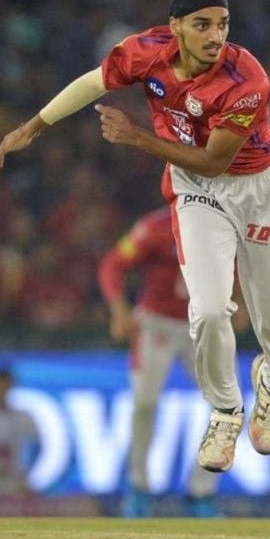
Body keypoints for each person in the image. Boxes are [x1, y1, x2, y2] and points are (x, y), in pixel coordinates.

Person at [0, 0, 270, 474]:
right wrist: (33, 127)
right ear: (175, 26)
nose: (215, 35)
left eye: (222, 24)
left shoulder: (248, 81)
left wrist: (137, 138)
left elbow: (215, 160)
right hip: (194, 190)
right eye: (202, 25)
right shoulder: (145, 51)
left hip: (254, 185)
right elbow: (94, 82)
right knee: (207, 310)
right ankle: (225, 411)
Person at [98, 206, 249, 517]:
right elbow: (113, 264)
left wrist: (244, 301)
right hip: (157, 325)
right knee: (145, 404)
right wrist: (118, 309)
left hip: (205, 326)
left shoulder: (229, 224)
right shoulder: (155, 227)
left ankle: (201, 491)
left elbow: (248, 266)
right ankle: (138, 487)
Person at [0, 366, 40, 494]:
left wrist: (26, 471)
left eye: (5, 383)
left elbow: (36, 445)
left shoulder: (23, 416)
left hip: (13, 479)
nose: (1, 388)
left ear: (11, 385)